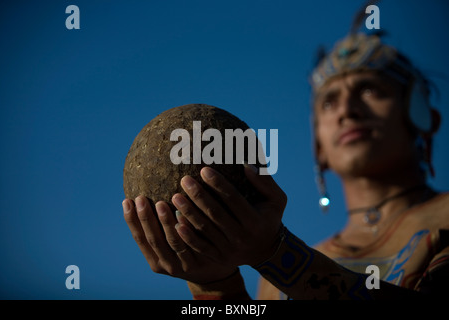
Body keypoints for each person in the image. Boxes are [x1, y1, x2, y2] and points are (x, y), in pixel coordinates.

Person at [122, 30, 449, 299]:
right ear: (318, 146)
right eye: (329, 101)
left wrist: (275, 252)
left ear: (423, 117)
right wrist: (214, 283)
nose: (346, 110)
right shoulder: (273, 283)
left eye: (371, 90)